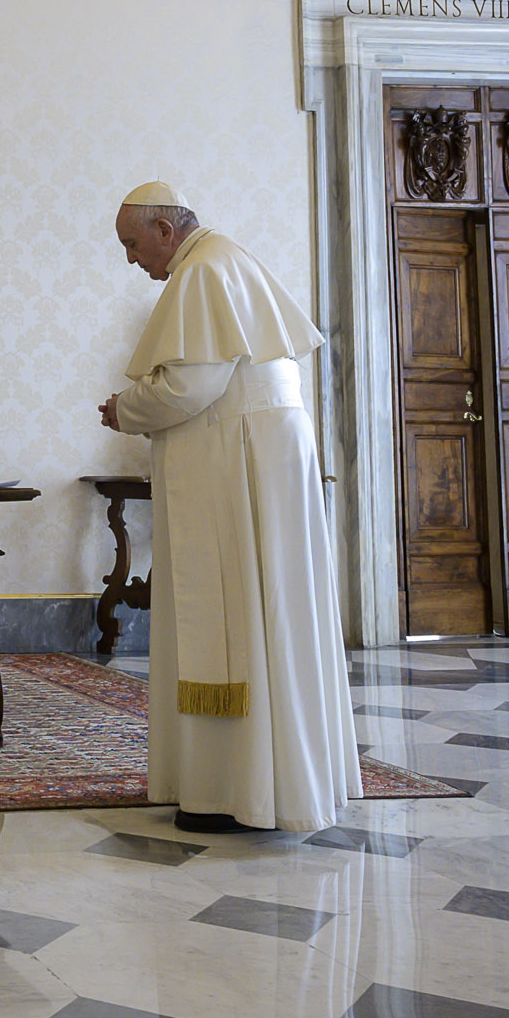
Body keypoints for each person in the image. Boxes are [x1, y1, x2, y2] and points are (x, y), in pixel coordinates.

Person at [96, 183, 356, 834]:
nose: (131, 258)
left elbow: (189, 385)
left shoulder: (203, 270)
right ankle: (269, 785)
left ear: (164, 229)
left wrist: (126, 409)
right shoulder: (224, 260)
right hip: (263, 455)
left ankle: (234, 792)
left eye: (133, 243)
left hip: (242, 462)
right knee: (271, 616)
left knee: (239, 616)